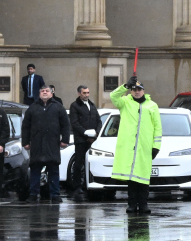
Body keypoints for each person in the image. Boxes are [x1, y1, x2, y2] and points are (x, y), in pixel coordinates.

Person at [110, 75, 162, 214]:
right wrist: (125, 86)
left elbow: (157, 127)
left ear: (143, 91)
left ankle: (144, 204)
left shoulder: (152, 106)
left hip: (144, 148)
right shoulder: (125, 102)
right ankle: (131, 204)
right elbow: (113, 96)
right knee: (132, 179)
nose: (136, 92)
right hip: (129, 148)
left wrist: (156, 146)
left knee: (144, 178)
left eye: (139, 89)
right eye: (133, 89)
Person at [21, 85, 70, 203]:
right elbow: (25, 127)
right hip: (36, 144)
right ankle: (33, 194)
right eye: (42, 91)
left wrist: (65, 140)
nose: (44, 92)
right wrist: (25, 142)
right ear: (39, 93)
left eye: (47, 91)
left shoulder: (58, 107)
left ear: (52, 93)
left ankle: (55, 194)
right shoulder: (32, 108)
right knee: (35, 170)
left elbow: (65, 125)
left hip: (52, 143)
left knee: (53, 170)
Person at [69, 85, 102, 201]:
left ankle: (88, 183)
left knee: (90, 163)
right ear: (79, 93)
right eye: (84, 93)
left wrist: (96, 133)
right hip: (81, 140)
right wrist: (85, 134)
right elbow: (74, 123)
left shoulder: (91, 105)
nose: (86, 95)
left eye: (88, 92)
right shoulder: (75, 106)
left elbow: (98, 120)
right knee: (78, 163)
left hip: (93, 140)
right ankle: (77, 186)